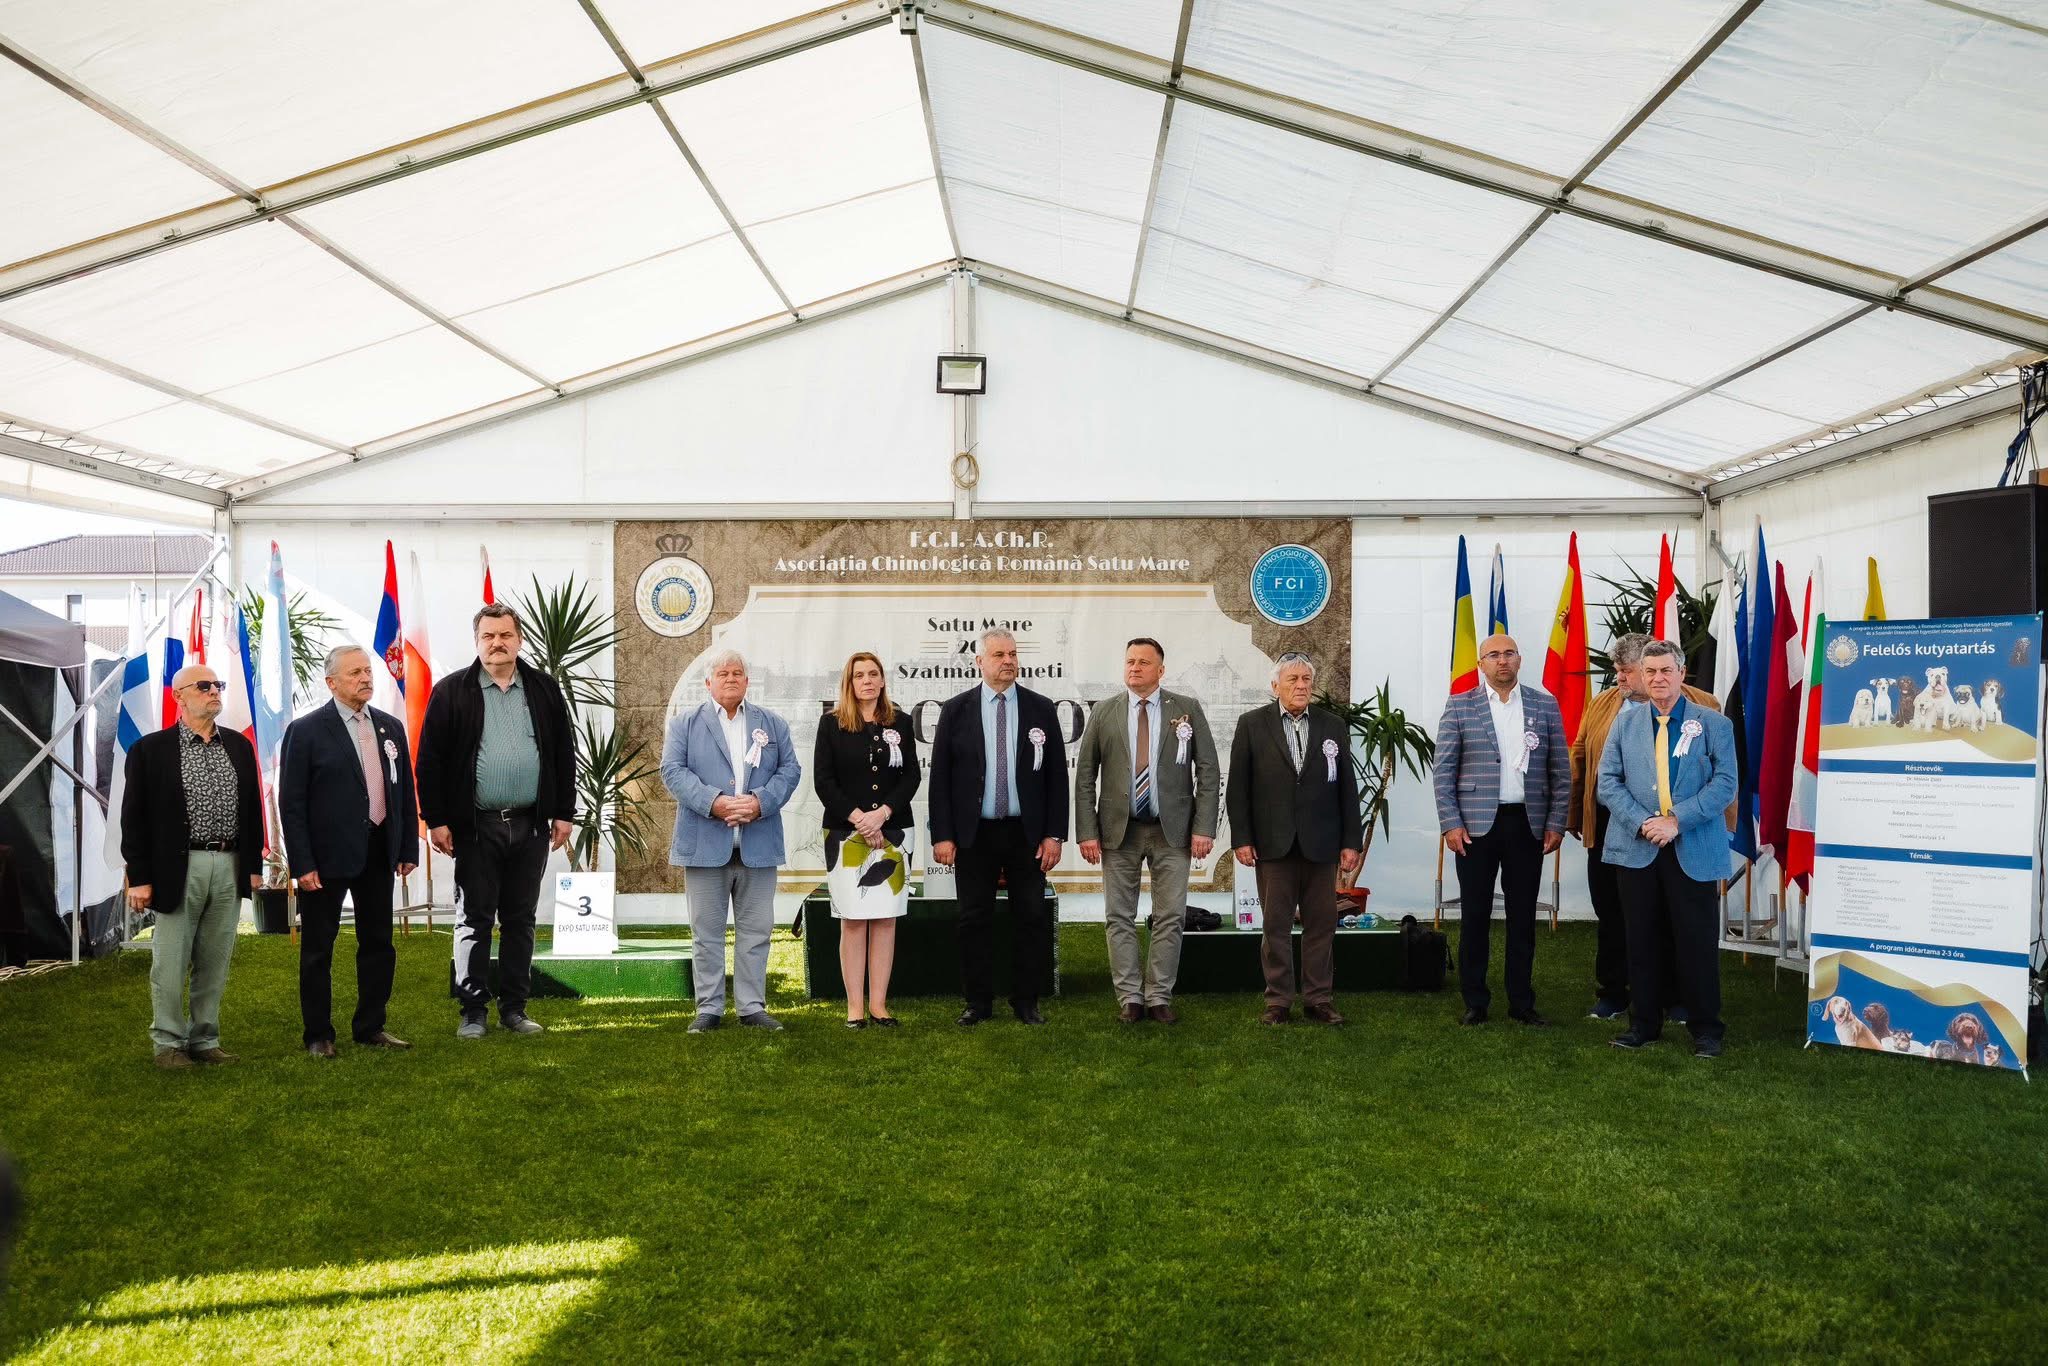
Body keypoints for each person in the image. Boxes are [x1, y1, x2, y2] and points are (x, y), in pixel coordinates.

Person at [416, 603, 576, 1040]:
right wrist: (436, 819)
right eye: (488, 636)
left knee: (521, 918)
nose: (497, 643)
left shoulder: (542, 688)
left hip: (530, 824)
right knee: (474, 918)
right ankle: (473, 1010)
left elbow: (563, 752)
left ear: (519, 639)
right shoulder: (452, 691)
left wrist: (564, 812)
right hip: (475, 825)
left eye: (505, 635)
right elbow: (429, 760)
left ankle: (514, 1009)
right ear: (477, 642)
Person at [1597, 640, 1738, 1058]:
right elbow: (1607, 781)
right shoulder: (1624, 724)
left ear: (1681, 675)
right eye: (1650, 671)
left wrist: (1677, 820)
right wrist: (1644, 822)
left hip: (1692, 847)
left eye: (1666, 671)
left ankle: (1706, 1029)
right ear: (1641, 675)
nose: (1658, 679)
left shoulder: (1713, 724)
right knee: (1640, 940)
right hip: (1636, 848)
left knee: (1695, 942)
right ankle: (1643, 1024)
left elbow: (1726, 783)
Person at [1570, 633, 1719, 1021]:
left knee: (1674, 917)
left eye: (1626, 670)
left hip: (1682, 828)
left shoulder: (1705, 708)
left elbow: (1722, 774)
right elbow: (1582, 758)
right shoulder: (1602, 705)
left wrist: (1681, 821)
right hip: (1613, 825)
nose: (1618, 677)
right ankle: (1614, 992)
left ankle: (1675, 998)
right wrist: (1574, 815)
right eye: (1617, 670)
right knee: (1613, 913)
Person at [120, 663, 263, 1069]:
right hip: (178, 866)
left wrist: (251, 864)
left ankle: (205, 1039)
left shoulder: (238, 746)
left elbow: (251, 811)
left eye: (218, 684)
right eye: (204, 686)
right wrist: (140, 877)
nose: (215, 691)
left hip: (229, 862)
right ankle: (168, 1043)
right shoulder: (151, 750)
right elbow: (133, 819)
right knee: (171, 958)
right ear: (178, 696)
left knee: (215, 958)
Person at [280, 644, 419, 1058]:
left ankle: (371, 1025)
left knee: (378, 942)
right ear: (332, 682)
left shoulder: (390, 727)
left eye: (367, 671)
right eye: (355, 672)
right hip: (325, 860)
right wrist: (302, 862)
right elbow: (292, 802)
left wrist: (406, 845)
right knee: (319, 948)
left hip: (379, 851)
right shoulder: (305, 731)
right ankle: (318, 1034)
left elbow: (402, 792)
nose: (365, 678)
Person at [1074, 637, 1219, 1024]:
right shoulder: (1105, 711)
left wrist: (1204, 827)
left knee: (1170, 915)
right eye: (1130, 661)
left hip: (1172, 831)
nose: (1135, 668)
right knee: (1118, 916)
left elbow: (1208, 770)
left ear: (1161, 669)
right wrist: (1087, 831)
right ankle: (1130, 998)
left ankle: (1158, 997)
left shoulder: (1186, 709)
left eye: (1143, 662)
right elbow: (1086, 775)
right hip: (1118, 832)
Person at [928, 628, 1068, 1026]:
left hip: (1027, 833)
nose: (1008, 661)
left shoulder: (1041, 708)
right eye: (998, 655)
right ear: (980, 662)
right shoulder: (956, 710)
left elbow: (1057, 777)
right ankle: (978, 1003)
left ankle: (1027, 1001)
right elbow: (940, 779)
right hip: (975, 834)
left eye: (1012, 654)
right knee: (973, 919)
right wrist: (943, 835)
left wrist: (1054, 834)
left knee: (1030, 916)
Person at [1433, 634, 1569, 1026]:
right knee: (1475, 915)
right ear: (1481, 663)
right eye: (1493, 655)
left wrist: (1556, 821)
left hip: (1527, 824)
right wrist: (1451, 824)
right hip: (1474, 828)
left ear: (1520, 660)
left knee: (1522, 916)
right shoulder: (1460, 706)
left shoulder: (1544, 705)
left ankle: (1522, 1002)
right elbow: (1443, 772)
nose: (1502, 661)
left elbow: (1560, 771)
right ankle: (1475, 1000)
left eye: (1508, 653)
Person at [663, 649, 802, 1033]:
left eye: (737, 673)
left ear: (747, 681)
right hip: (705, 845)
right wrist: (715, 803)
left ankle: (751, 1007)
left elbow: (791, 770)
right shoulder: (685, 724)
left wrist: (760, 803)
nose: (730, 678)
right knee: (706, 933)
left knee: (755, 932)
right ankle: (708, 1008)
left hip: (758, 844)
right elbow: (672, 771)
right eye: (722, 673)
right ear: (708, 682)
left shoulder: (771, 724)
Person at [1225, 653, 1361, 1026]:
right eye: (1292, 680)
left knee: (1322, 925)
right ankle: (1278, 1001)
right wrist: (1242, 838)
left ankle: (1319, 999)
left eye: (1306, 679)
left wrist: (1351, 840)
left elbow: (1347, 787)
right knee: (1276, 926)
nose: (1301, 686)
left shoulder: (1333, 725)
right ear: (1275, 686)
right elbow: (1238, 788)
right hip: (1273, 844)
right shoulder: (1252, 724)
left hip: (1322, 844)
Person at [812, 652, 920, 1028]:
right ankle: (855, 1008)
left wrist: (882, 814)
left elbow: (911, 778)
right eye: (860, 675)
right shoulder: (831, 725)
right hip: (846, 835)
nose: (868, 681)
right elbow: (823, 781)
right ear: (850, 682)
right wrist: (860, 819)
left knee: (886, 920)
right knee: (853, 921)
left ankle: (879, 1006)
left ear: (883, 680)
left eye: (874, 674)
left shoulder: (901, 723)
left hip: (893, 832)